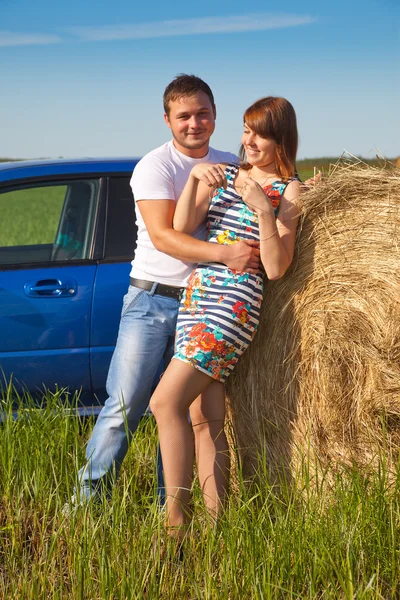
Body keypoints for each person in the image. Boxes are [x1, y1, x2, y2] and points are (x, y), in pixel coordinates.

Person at [70, 74, 261, 505]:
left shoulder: (231, 162)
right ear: (167, 119)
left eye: (203, 114)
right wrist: (223, 254)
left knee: (179, 413)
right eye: (184, 116)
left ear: (215, 115)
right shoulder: (154, 167)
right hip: (153, 300)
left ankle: (169, 505)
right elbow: (164, 237)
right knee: (124, 408)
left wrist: (311, 195)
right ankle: (86, 506)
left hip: (205, 307)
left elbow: (267, 194)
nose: (194, 123)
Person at [149, 96, 301, 538]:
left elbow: (276, 267)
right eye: (247, 130)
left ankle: (175, 524)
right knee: (204, 419)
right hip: (197, 300)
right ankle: (218, 530)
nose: (249, 141)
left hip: (231, 306)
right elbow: (179, 226)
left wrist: (260, 207)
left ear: (281, 139)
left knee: (164, 402)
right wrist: (197, 178)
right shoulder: (229, 176)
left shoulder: (289, 189)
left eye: (260, 134)